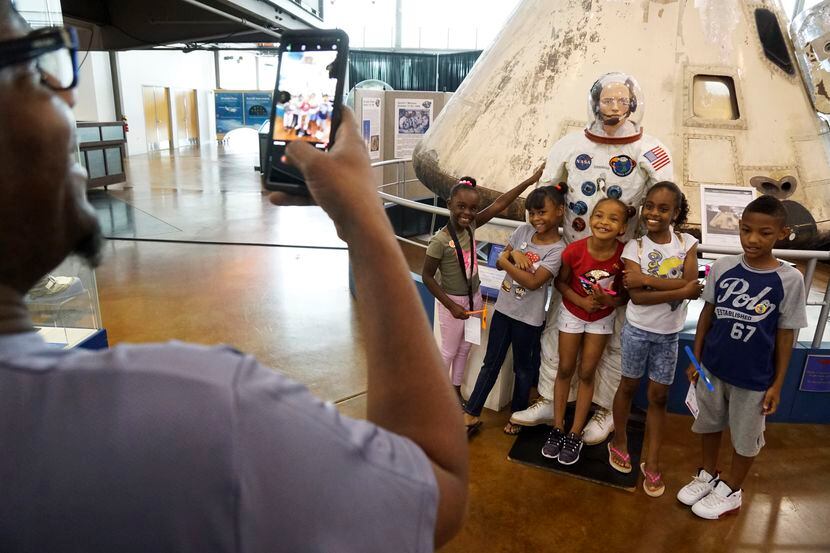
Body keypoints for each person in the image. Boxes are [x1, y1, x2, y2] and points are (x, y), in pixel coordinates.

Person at [0, 3, 467, 550]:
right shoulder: (209, 417)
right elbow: (436, 488)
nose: (67, 96)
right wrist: (365, 221)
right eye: (35, 68)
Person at [510, 72, 675, 447]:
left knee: (614, 337)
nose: (613, 108)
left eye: (621, 101)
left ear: (633, 104)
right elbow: (544, 197)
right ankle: (554, 400)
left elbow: (666, 199)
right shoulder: (569, 144)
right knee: (557, 331)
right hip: (571, 256)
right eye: (607, 100)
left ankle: (604, 408)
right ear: (595, 103)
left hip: (619, 261)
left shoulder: (649, 150)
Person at [677, 195, 807, 520]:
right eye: (746, 230)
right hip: (712, 369)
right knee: (707, 423)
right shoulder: (722, 267)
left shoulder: (791, 280)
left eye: (764, 233)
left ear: (782, 232)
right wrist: (697, 360)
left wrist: (777, 384)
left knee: (746, 436)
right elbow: (707, 315)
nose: (752, 239)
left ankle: (732, 489)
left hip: (753, 379)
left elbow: (786, 334)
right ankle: (708, 474)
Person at [607, 182, 704, 496]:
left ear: (675, 213)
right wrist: (680, 291)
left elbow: (693, 283)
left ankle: (653, 458)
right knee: (629, 386)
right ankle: (619, 439)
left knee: (659, 398)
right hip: (637, 330)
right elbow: (637, 298)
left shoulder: (687, 243)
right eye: (650, 206)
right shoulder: (633, 247)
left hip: (668, 336)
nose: (654, 213)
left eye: (663, 208)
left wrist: (648, 280)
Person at [422, 166, 545, 407]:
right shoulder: (438, 241)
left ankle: (454, 390)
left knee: (465, 348)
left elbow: (500, 204)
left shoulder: (471, 226)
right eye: (461, 206)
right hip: (452, 303)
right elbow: (427, 277)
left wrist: (530, 181)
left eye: (473, 208)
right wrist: (450, 306)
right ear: (449, 204)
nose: (467, 213)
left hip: (474, 300)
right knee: (448, 351)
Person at [461, 185, 566, 434]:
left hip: (529, 320)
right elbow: (499, 261)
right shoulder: (523, 231)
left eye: (542, 212)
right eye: (532, 213)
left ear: (560, 211)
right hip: (504, 311)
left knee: (523, 369)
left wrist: (512, 259)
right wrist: (513, 255)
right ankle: (472, 412)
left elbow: (533, 282)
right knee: (491, 363)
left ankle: (517, 416)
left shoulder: (557, 249)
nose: (536, 219)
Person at [541, 198, 628, 465]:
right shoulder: (574, 251)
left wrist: (608, 301)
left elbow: (624, 296)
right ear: (590, 220)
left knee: (587, 372)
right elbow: (561, 282)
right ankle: (557, 427)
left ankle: (575, 433)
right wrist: (580, 301)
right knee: (565, 368)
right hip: (572, 313)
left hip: (601, 319)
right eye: (599, 215)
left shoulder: (624, 256)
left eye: (613, 219)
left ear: (623, 227)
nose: (604, 222)